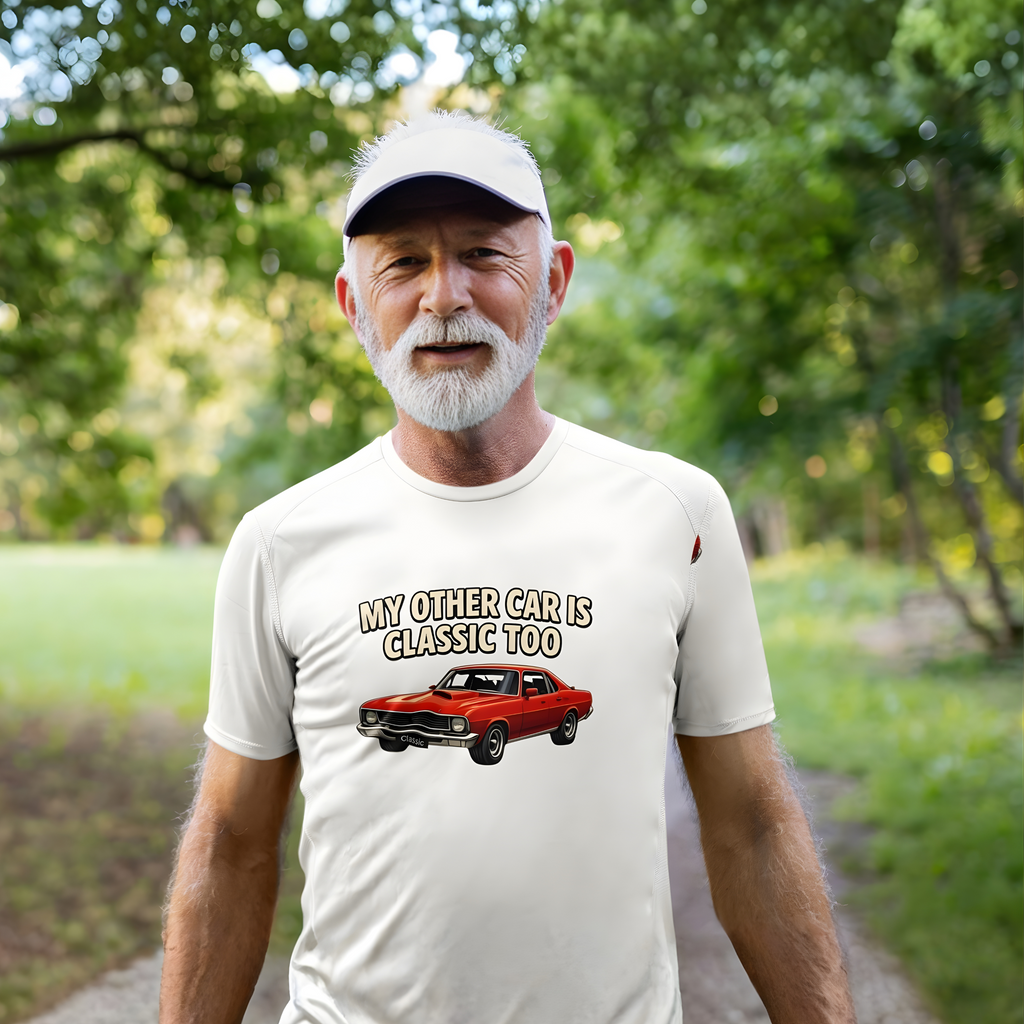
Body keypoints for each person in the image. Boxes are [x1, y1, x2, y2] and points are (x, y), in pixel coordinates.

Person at [160, 110, 855, 1024]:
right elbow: (231, 844)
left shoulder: (676, 514)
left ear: (554, 281)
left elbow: (753, 825)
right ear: (353, 304)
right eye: (403, 263)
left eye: (485, 254)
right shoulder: (281, 541)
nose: (444, 295)